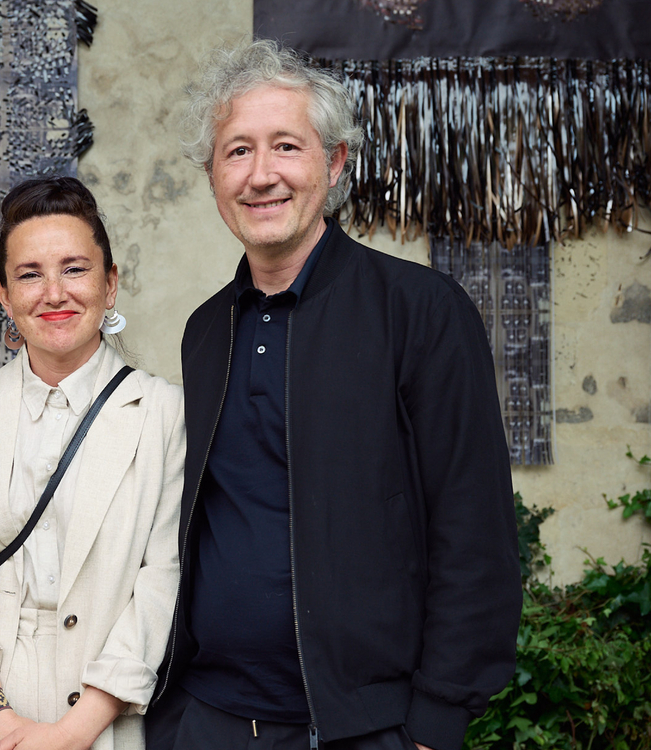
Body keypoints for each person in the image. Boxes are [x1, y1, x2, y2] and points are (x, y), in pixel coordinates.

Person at [145, 38, 521, 750]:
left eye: (286, 146)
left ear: (335, 161)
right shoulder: (207, 330)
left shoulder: (421, 310)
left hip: (363, 730)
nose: (261, 176)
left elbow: (475, 535)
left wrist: (436, 721)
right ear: (212, 175)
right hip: (206, 722)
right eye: (236, 152)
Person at [0, 176, 185, 750]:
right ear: (3, 295)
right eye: (29, 274)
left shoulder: (165, 412)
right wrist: (0, 724)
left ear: (111, 285)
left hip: (105, 725)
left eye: (75, 269)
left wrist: (76, 732)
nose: (53, 292)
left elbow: (162, 582)